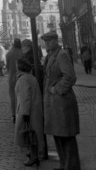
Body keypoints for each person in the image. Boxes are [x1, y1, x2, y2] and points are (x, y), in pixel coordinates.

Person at [41, 31, 81, 170]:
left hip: (63, 103)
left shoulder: (62, 54)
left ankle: (71, 167)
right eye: (45, 41)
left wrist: (56, 89)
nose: (47, 43)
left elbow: (70, 77)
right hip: (55, 104)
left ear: (56, 41)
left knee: (66, 137)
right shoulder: (51, 55)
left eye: (50, 41)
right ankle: (64, 165)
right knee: (58, 136)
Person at [14, 58, 45, 166]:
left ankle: (32, 157)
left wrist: (25, 114)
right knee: (34, 135)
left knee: (28, 136)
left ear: (20, 67)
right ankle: (34, 156)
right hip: (34, 111)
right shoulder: (30, 77)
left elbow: (25, 98)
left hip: (28, 112)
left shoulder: (23, 79)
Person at [6, 38, 24, 123]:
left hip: (12, 78)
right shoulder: (22, 53)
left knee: (12, 97)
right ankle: (21, 114)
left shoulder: (9, 53)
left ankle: (14, 115)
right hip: (22, 78)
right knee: (22, 96)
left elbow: (7, 67)